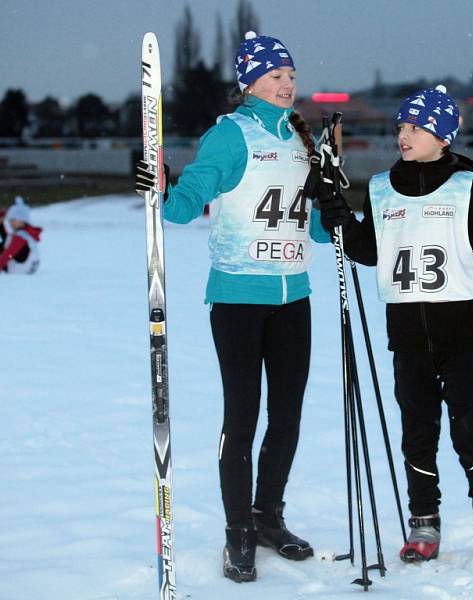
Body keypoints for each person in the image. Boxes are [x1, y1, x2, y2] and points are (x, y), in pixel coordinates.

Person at [318, 85, 473, 563]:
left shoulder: (468, 189)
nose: (404, 135)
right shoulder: (381, 189)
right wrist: (337, 215)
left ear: (443, 137)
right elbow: (368, 250)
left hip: (463, 337)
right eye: (401, 126)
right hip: (407, 339)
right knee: (417, 433)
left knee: (469, 431)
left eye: (416, 128)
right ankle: (423, 523)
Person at [136, 32, 331, 583]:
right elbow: (181, 208)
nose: (287, 83)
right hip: (239, 297)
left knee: (287, 417)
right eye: (275, 75)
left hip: (295, 296)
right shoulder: (229, 136)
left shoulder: (301, 136)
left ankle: (268, 516)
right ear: (249, 83)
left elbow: (313, 224)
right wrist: (161, 186)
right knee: (242, 417)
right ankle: (237, 533)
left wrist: (333, 204)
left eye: (291, 74)